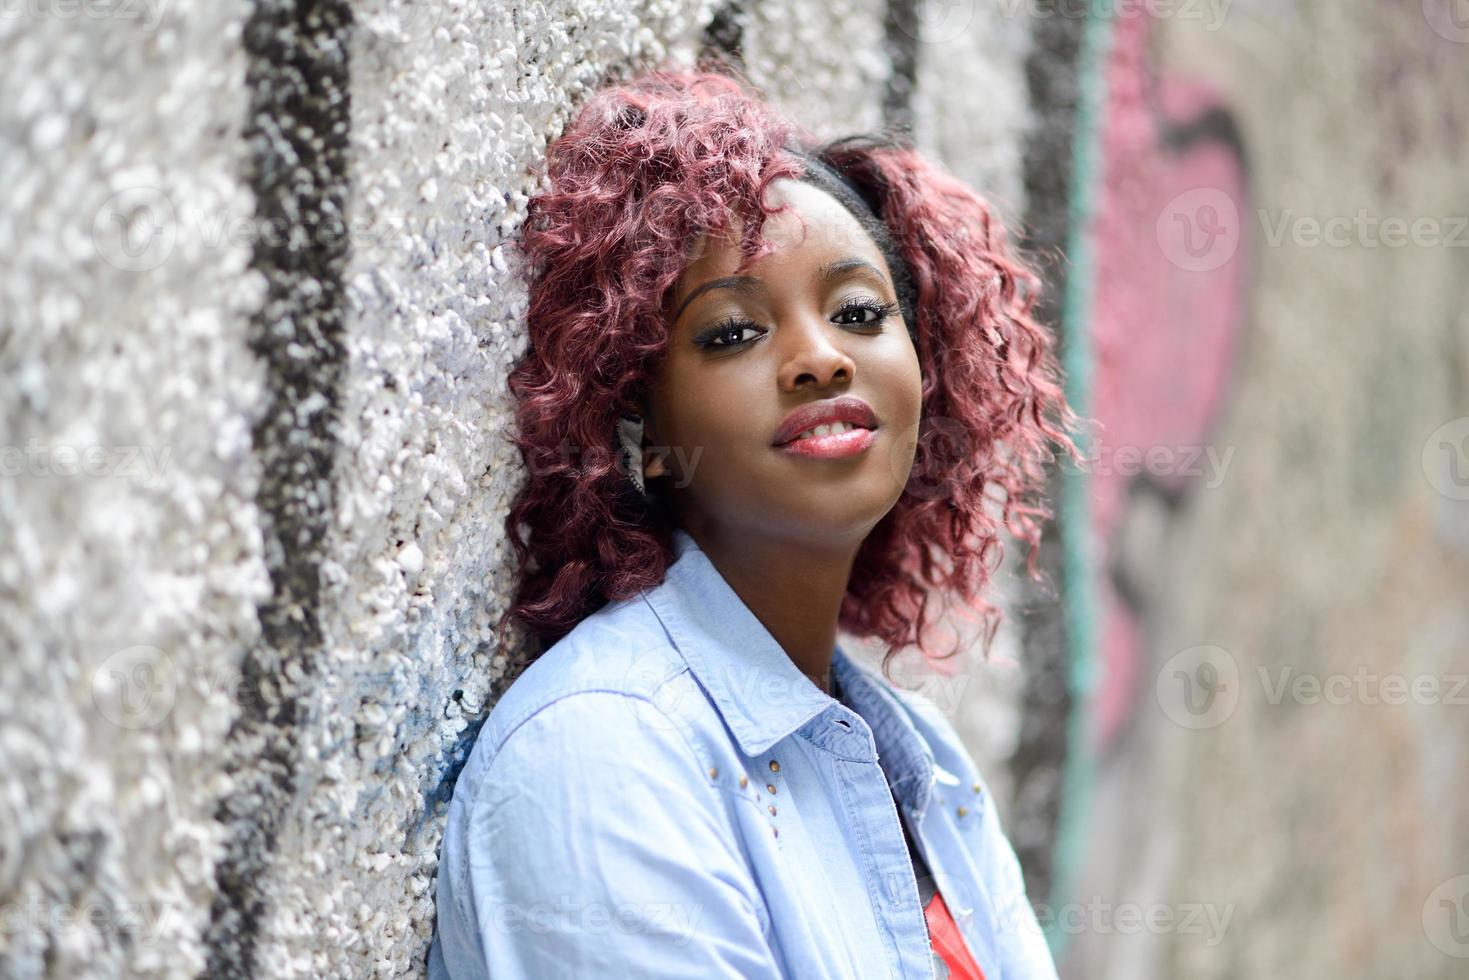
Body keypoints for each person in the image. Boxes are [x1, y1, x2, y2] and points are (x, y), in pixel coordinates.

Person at [428, 62, 1084, 980]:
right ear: (646, 432)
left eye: (859, 312)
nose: (819, 359)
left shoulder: (919, 759)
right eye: (733, 332)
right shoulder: (606, 756)